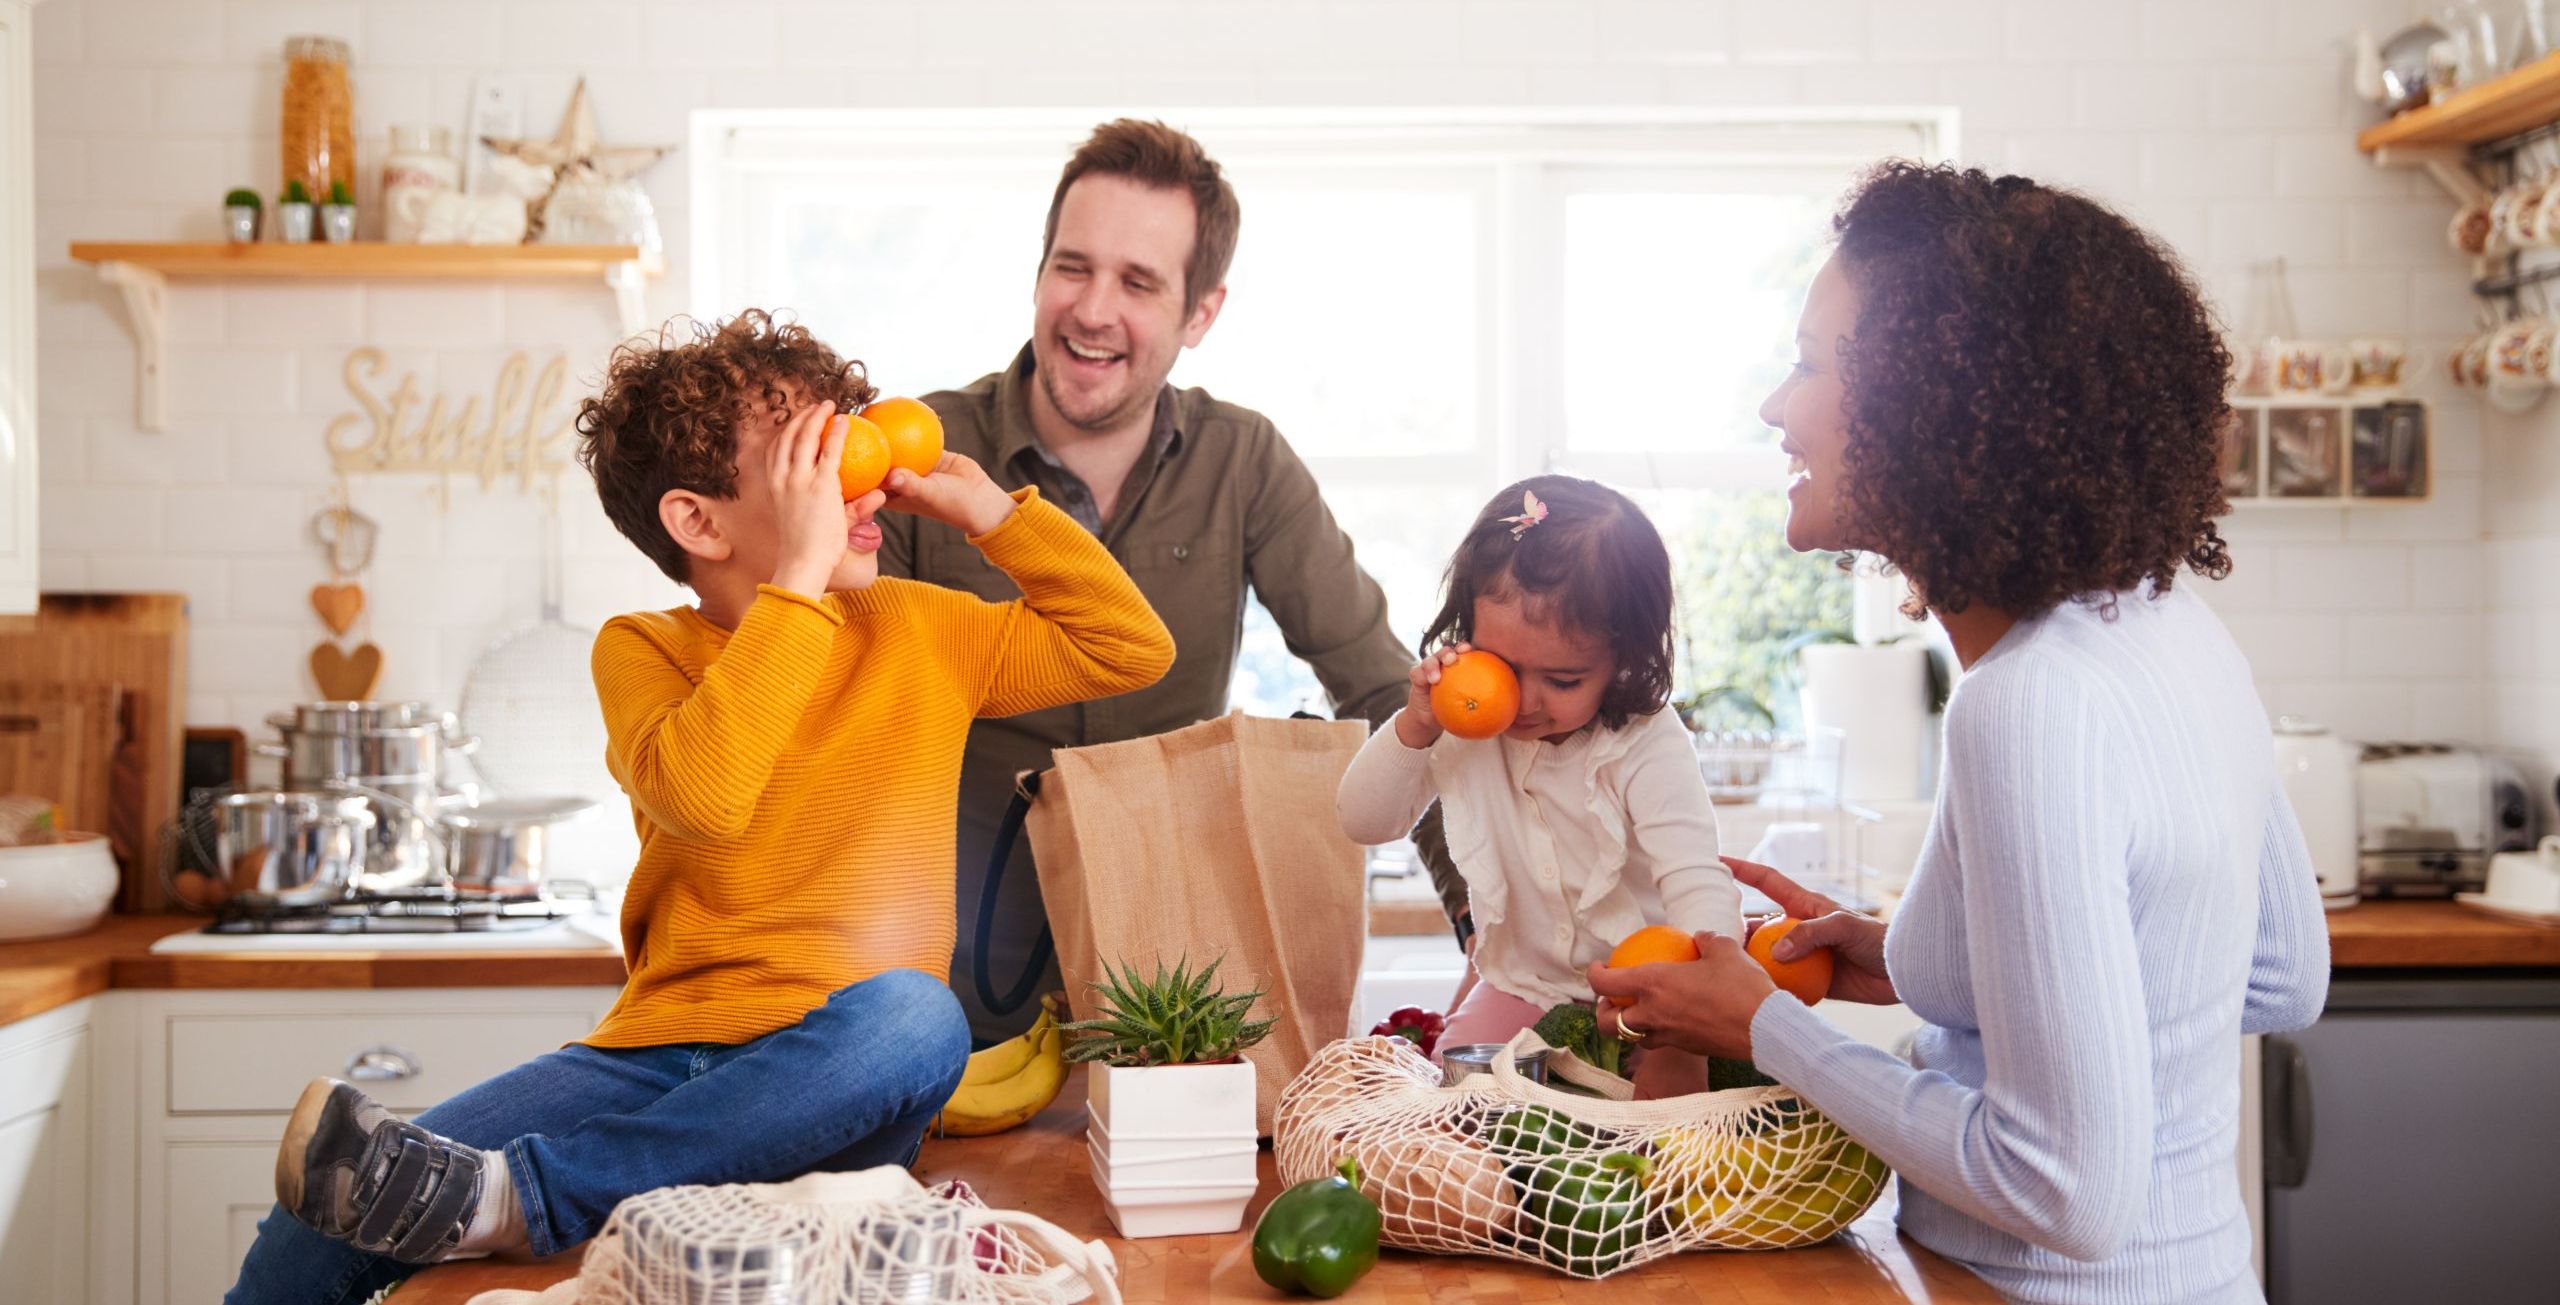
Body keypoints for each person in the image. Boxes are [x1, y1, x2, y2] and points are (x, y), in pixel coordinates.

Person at [224, 311, 1174, 1304]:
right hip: (654, 1062)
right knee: (313, 1219)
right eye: (816, 457)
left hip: (835, 1075)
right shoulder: (643, 648)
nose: (860, 478)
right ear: (699, 523)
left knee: (919, 1018)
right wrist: (800, 580)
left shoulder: (922, 630)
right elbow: (707, 794)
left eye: (849, 435)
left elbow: (1127, 649)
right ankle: (529, 1190)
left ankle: (525, 1197)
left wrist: (991, 512)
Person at [1584, 163, 2331, 1303]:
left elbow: (2062, 1195)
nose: (1775, 408)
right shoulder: (2168, 624)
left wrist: (1768, 1028)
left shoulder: (2026, 704)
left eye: (1811, 365)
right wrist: (1950, 962)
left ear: (1931, 407)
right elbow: (2276, 974)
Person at [882, 118, 1458, 1041]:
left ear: (1201, 313)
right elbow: (837, 720)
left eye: (1139, 281)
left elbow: (1393, 695)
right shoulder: (922, 453)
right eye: (1073, 267)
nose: (1094, 309)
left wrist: (1485, 931)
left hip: (1170, 990)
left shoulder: (1245, 462)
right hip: (941, 985)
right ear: (1039, 274)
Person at [1338, 475, 1741, 1099]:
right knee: (1455, 1106)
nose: (1524, 702)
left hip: (1653, 991)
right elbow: (1365, 822)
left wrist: (1689, 1031)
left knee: (1663, 1128)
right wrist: (1415, 724)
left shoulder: (1646, 742)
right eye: (1504, 665)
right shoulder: (1459, 718)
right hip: (1523, 983)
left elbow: (1696, 884)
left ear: (1624, 659)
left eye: (1562, 678)